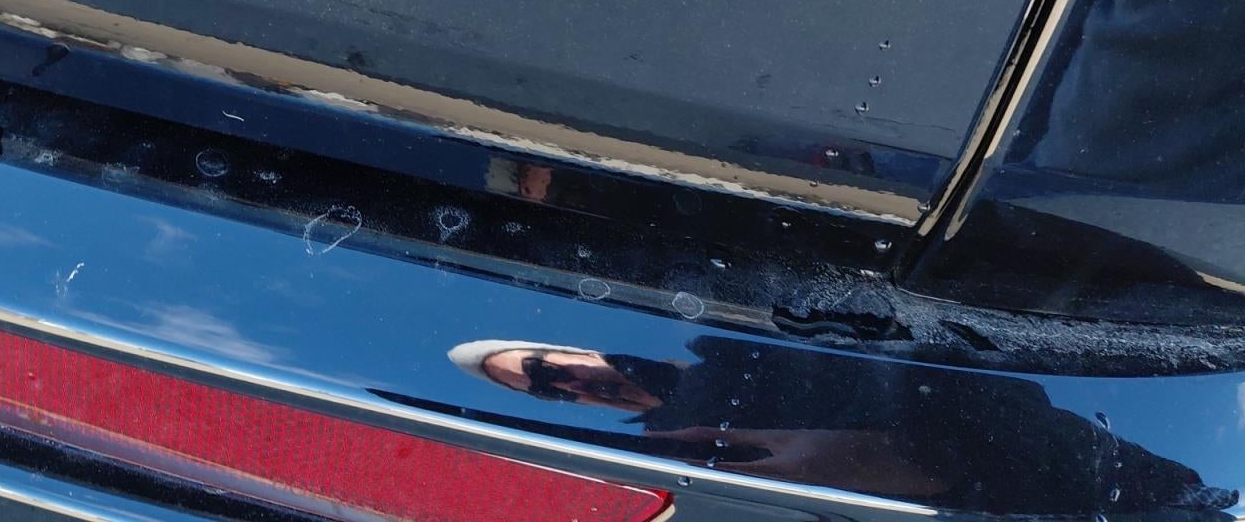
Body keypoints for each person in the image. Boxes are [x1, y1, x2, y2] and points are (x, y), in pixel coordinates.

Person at [448, 337, 1236, 514]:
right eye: (545, 390)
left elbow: (1015, 400)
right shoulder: (685, 452)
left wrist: (900, 455)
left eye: (545, 362)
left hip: (1125, 470)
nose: (564, 382)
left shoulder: (732, 334)